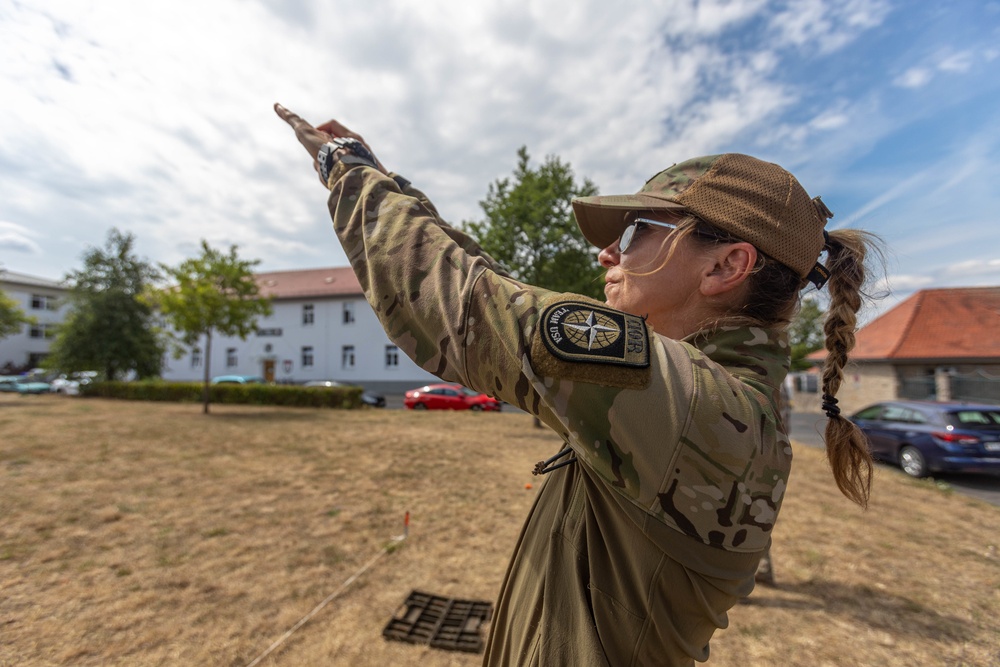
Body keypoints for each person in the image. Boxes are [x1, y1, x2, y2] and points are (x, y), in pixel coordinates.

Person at [274, 103, 879, 666]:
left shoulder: (694, 403)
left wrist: (347, 170)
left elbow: (460, 306)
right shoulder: (723, 397)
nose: (607, 254)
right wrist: (385, 180)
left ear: (725, 266)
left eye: (639, 229)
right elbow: (491, 293)